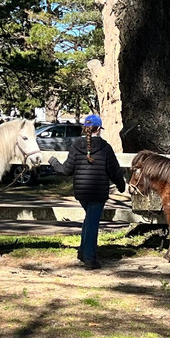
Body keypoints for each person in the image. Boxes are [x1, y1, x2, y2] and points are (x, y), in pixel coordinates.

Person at [48, 114, 126, 269]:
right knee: (92, 223)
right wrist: (121, 185)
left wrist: (53, 162)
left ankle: (83, 252)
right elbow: (114, 171)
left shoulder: (76, 145)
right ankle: (90, 259)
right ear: (99, 129)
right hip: (98, 191)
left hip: (81, 192)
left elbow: (66, 169)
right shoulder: (105, 147)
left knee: (88, 221)